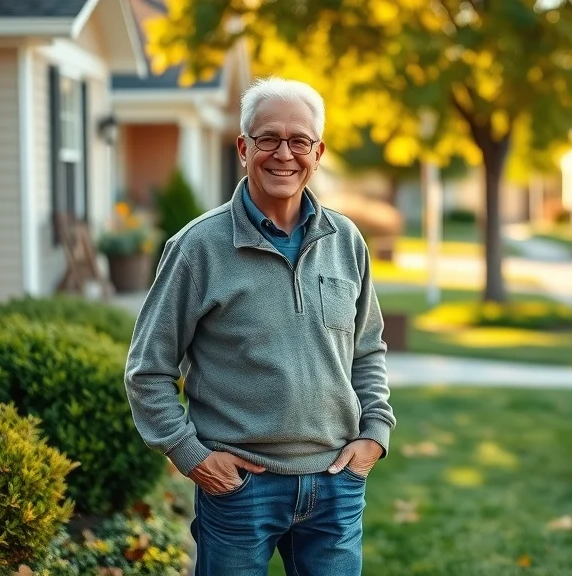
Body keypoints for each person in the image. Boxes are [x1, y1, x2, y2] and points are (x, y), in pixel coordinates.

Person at [123, 77, 396, 576]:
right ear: (243, 147)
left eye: (299, 141)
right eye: (268, 138)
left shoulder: (347, 240)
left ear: (318, 152)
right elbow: (147, 370)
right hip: (240, 488)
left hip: (336, 483)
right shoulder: (197, 248)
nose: (283, 154)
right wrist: (191, 456)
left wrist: (374, 434)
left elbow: (367, 349)